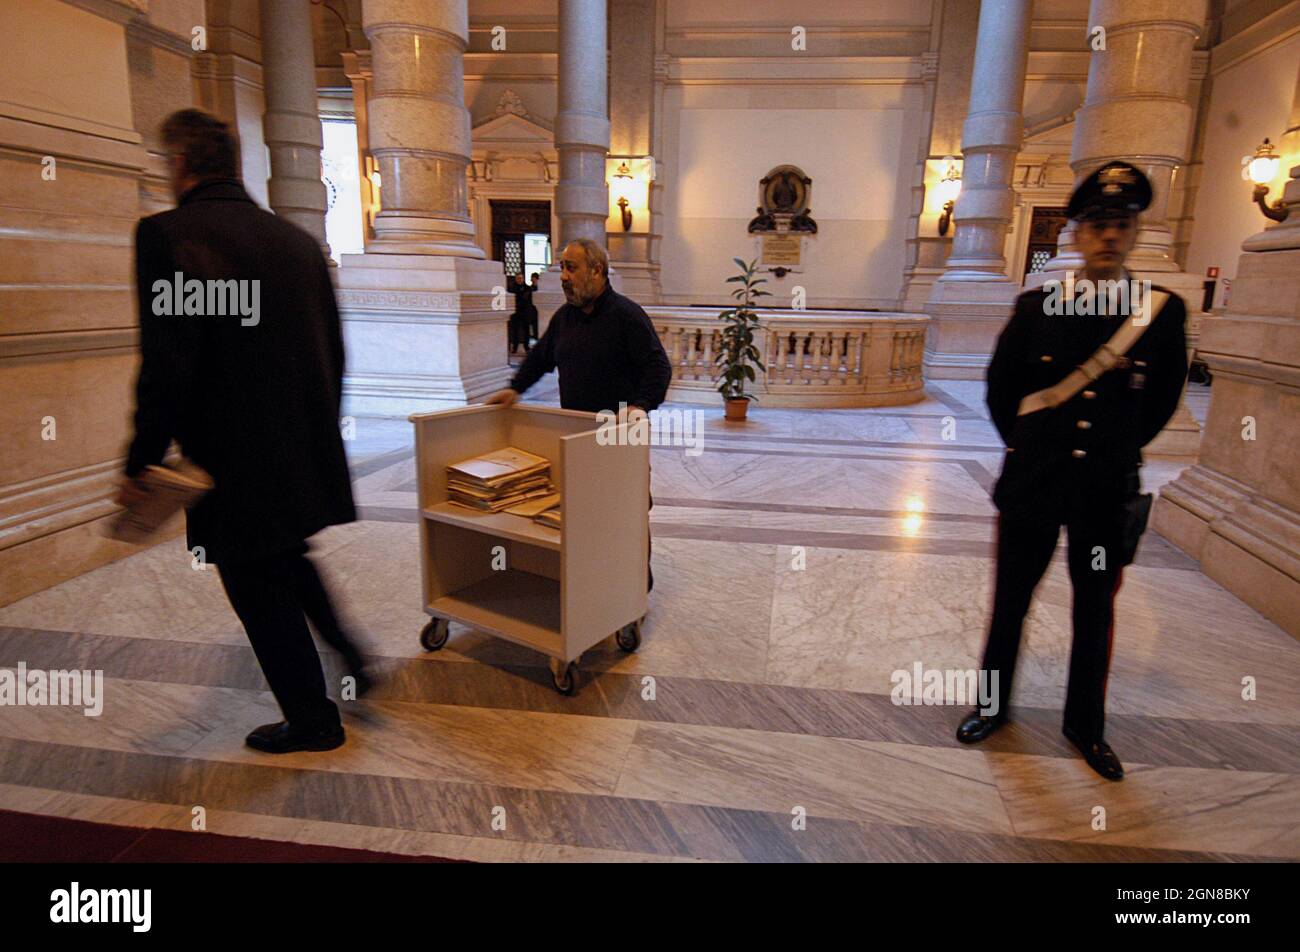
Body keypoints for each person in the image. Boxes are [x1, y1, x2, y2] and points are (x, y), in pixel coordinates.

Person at [117, 108, 364, 754]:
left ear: (179, 164)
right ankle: (353, 657)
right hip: (299, 444)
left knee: (256, 582)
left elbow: (168, 360)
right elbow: (334, 350)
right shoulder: (295, 242)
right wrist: (316, 428)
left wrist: (140, 461)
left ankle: (314, 720)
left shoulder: (170, 238)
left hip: (232, 458)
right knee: (287, 555)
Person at [954, 162, 1188, 781]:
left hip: (1104, 492)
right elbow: (1001, 389)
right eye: (1097, 226)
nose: (1109, 235)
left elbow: (1162, 398)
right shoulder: (1036, 308)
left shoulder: (1161, 313)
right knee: (1011, 601)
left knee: (1094, 607)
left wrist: (1115, 449)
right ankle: (991, 706)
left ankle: (1086, 726)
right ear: (1077, 235)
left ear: (1135, 233)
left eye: (1121, 224)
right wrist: (1030, 448)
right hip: (1034, 484)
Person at [484, 239, 671, 590]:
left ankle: (634, 584)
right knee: (585, 511)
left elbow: (658, 367)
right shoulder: (565, 318)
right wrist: (515, 387)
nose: (564, 276)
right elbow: (541, 359)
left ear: (597, 270)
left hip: (619, 436)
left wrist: (640, 406)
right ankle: (593, 579)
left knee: (628, 512)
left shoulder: (627, 316)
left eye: (571, 267)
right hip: (576, 435)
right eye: (562, 267)